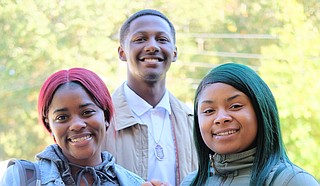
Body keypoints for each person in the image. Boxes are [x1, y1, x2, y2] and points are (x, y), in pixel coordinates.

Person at [180, 63, 319, 185]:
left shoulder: (291, 181)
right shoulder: (191, 182)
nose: (221, 118)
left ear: (261, 111)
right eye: (209, 110)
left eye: (235, 106)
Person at [0, 68, 145, 185]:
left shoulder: (134, 183)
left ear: (106, 117)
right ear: (49, 126)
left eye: (87, 112)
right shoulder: (21, 179)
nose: (76, 125)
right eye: (62, 117)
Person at [105, 9, 197, 186]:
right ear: (122, 52)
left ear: (175, 52)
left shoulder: (195, 124)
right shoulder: (102, 122)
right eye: (140, 39)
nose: (152, 46)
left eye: (162, 39)